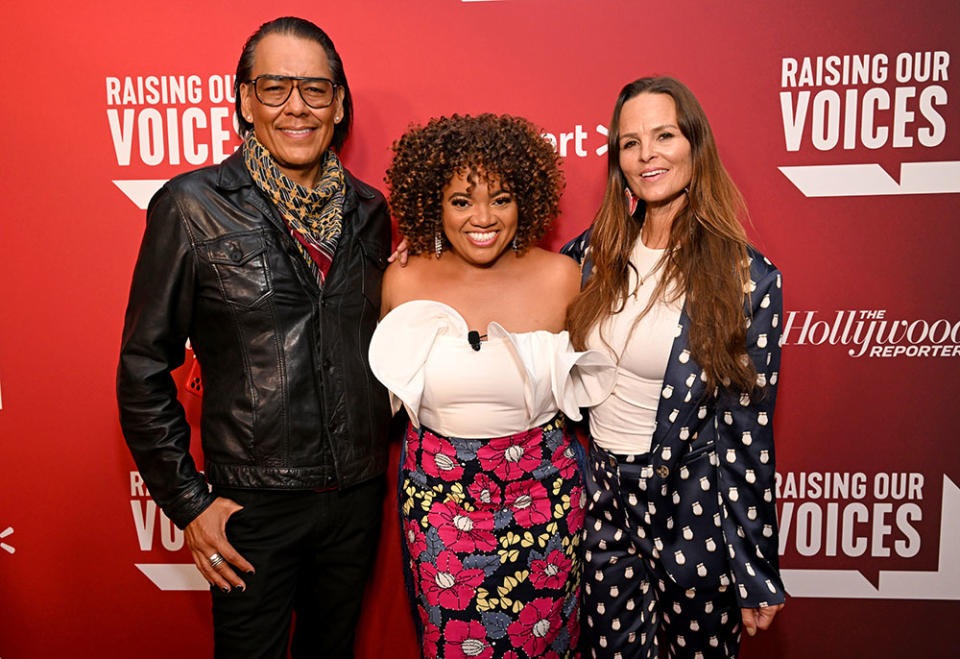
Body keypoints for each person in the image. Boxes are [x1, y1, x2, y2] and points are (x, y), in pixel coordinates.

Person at [116, 17, 391, 657]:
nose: (297, 106)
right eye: (274, 87)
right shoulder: (191, 205)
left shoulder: (371, 211)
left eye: (316, 89)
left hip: (355, 498)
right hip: (250, 507)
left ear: (340, 103)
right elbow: (142, 370)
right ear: (243, 99)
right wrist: (189, 502)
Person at [370, 114, 615, 659]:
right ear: (434, 202)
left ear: (525, 199)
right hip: (438, 499)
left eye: (500, 198)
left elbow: (597, 389)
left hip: (543, 496)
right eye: (461, 201)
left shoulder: (561, 277)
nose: (483, 218)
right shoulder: (402, 278)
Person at [562, 77, 785, 658]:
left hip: (690, 506)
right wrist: (428, 250)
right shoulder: (592, 253)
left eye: (664, 135)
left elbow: (747, 434)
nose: (647, 154)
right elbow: (504, 283)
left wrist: (754, 568)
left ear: (695, 145)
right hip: (602, 496)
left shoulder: (746, 278)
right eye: (630, 142)